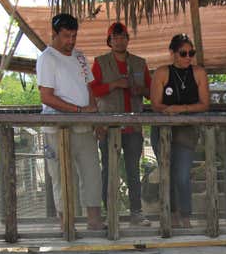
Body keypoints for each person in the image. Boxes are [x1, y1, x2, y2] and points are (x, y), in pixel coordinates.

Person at [37, 13, 103, 231]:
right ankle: (66, 225)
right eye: (66, 36)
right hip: (58, 129)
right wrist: (78, 110)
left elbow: (89, 88)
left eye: (74, 36)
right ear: (54, 34)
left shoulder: (80, 56)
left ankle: (94, 221)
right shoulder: (47, 58)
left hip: (85, 127)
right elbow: (46, 96)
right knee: (62, 177)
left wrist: (94, 116)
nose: (71, 41)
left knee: (92, 173)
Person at [90, 22, 152, 227]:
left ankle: (136, 212)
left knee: (134, 170)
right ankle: (111, 213)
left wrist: (139, 89)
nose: (119, 40)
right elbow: (92, 91)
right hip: (108, 126)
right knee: (109, 170)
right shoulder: (99, 63)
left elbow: (151, 93)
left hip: (133, 126)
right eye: (115, 37)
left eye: (123, 36)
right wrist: (115, 85)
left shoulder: (140, 63)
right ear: (109, 41)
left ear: (128, 39)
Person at [149, 34, 210, 229]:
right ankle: (170, 214)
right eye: (183, 53)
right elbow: (156, 104)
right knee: (167, 173)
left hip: (186, 132)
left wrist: (180, 109)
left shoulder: (199, 73)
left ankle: (185, 215)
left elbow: (204, 104)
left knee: (182, 174)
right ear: (173, 53)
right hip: (163, 132)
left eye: (191, 53)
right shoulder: (162, 72)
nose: (188, 57)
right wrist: (170, 111)